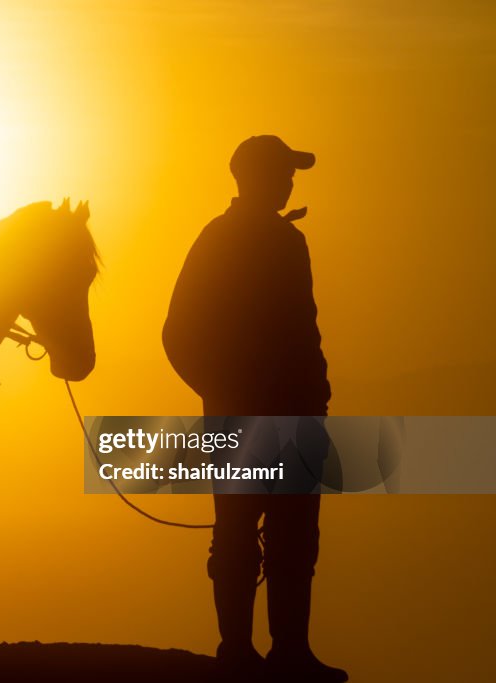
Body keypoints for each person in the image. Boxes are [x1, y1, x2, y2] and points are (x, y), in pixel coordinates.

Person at [162, 135, 347, 682]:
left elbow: (302, 334)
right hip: (252, 417)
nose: (291, 180)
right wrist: (225, 395)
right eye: (284, 171)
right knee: (246, 537)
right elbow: (178, 335)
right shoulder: (226, 241)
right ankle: (242, 653)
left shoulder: (282, 241)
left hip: (292, 416)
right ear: (258, 177)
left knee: (290, 537)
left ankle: (286, 651)